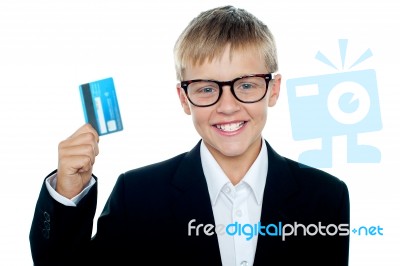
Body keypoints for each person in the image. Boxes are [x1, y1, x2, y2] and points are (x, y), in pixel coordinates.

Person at [29, 5, 350, 266]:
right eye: (207, 88)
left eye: (247, 85)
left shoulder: (325, 197)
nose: (228, 106)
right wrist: (67, 193)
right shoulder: (138, 196)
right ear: (184, 99)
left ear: (274, 90)